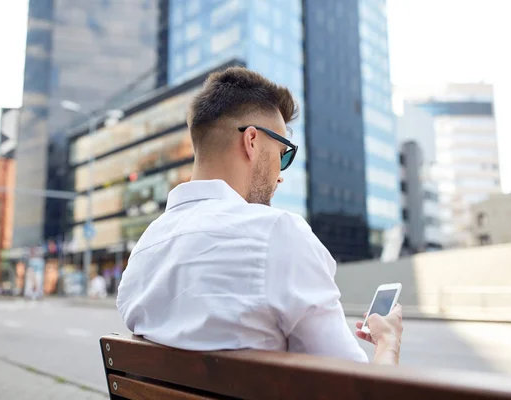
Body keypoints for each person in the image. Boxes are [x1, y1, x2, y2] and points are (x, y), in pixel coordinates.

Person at [117, 67, 403, 365]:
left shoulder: (145, 248)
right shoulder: (277, 232)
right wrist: (387, 342)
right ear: (251, 141)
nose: (280, 176)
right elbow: (357, 390)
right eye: (283, 153)